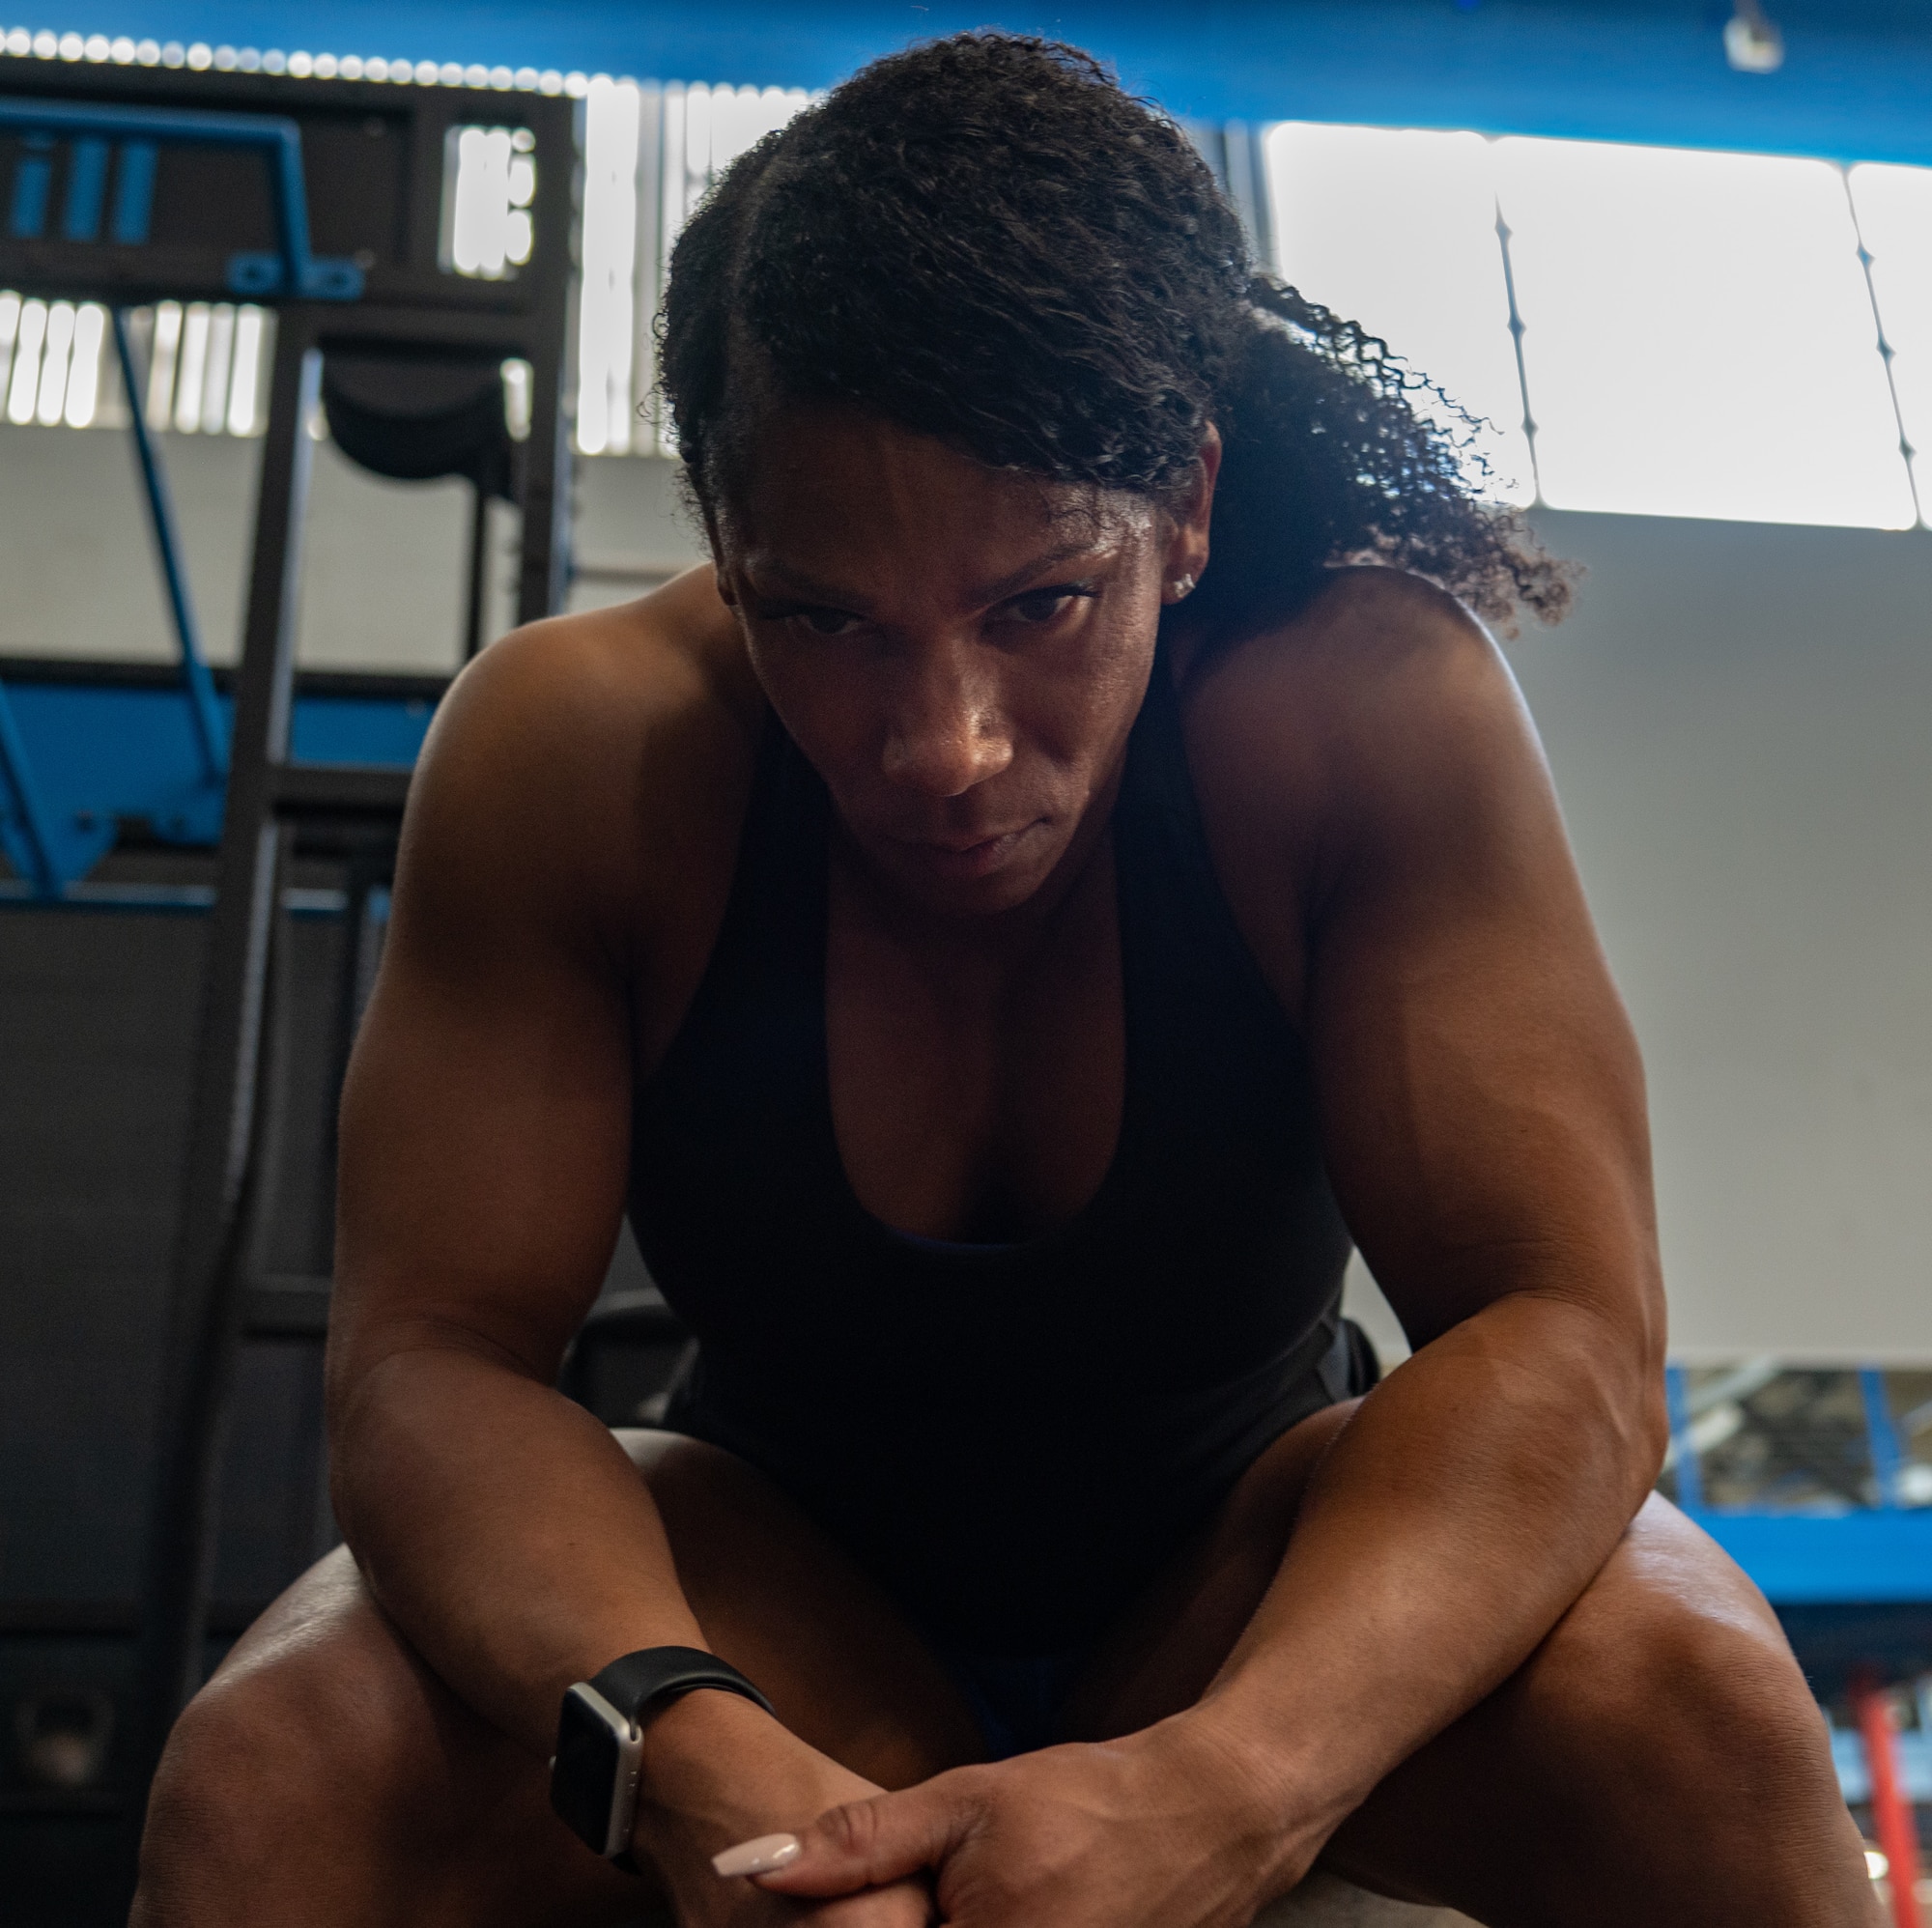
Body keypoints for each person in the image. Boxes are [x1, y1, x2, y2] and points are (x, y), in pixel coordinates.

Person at [133, 33, 1876, 1928]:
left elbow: (1562, 1324)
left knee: (1696, 1704)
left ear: (1185, 511)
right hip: (768, 1584)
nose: (942, 743)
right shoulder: (584, 755)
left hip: (1243, 1581)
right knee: (278, 1771)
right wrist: (680, 1741)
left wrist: (1243, 1776)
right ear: (724, 537)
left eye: (1041, 602)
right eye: (826, 619)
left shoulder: (1359, 704)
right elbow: (434, 1357)